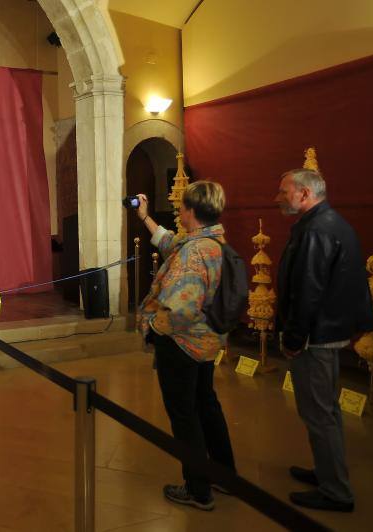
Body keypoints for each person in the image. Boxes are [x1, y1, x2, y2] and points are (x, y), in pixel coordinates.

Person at [275, 168, 373, 513]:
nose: (280, 197)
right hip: (328, 332)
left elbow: (308, 289)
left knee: (318, 414)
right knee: (326, 410)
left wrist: (293, 336)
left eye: (285, 191)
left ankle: (335, 491)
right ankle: (327, 472)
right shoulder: (333, 222)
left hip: (315, 338)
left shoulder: (317, 229)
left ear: (304, 194)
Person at [135, 181, 236, 511]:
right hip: (206, 341)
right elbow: (170, 244)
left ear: (191, 211)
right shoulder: (211, 242)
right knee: (206, 404)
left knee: (185, 415)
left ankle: (198, 489)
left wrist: (151, 325)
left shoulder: (193, 253)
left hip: (181, 343)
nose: (178, 211)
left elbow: (180, 308)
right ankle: (224, 475)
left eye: (181, 207)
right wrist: (145, 217)